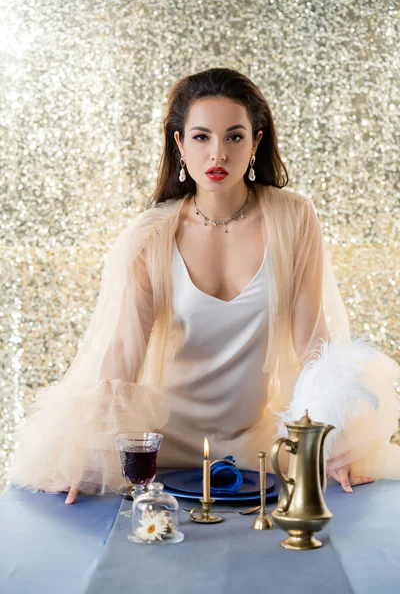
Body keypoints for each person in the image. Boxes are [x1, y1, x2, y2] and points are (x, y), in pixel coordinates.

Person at [8, 68, 400, 505]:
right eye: (200, 137)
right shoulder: (152, 234)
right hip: (164, 447)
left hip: (258, 446)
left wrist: (331, 441)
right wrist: (83, 453)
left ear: (256, 142)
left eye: (234, 137)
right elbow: (124, 350)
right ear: (179, 144)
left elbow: (312, 341)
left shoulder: (294, 217)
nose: (218, 153)